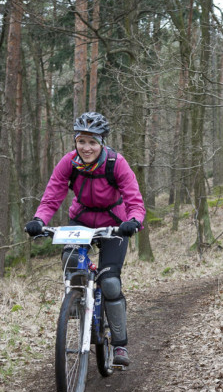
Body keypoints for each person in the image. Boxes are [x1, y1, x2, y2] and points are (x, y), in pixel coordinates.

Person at [24, 112, 145, 366]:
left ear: (102, 142)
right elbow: (52, 195)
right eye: (81, 141)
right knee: (70, 259)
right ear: (75, 142)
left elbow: (134, 198)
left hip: (114, 224)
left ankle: (120, 345)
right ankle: (78, 303)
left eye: (92, 142)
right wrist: (40, 220)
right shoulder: (68, 163)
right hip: (81, 222)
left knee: (110, 281)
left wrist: (133, 221)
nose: (86, 147)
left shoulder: (115, 163)